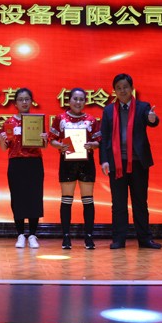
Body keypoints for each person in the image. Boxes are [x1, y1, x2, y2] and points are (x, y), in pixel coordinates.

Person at [99, 73, 162, 250]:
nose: (122, 91)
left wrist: (153, 119)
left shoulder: (143, 107)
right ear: (115, 91)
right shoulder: (108, 110)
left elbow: (152, 120)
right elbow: (104, 138)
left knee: (140, 202)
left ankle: (145, 239)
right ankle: (119, 239)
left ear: (132, 88)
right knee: (118, 204)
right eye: (118, 88)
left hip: (138, 163)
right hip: (116, 163)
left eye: (125, 87)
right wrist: (104, 160)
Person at [49, 88, 100, 250]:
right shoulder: (60, 118)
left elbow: (99, 141)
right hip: (67, 163)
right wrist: (59, 145)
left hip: (86, 163)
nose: (78, 102)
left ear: (85, 101)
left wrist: (92, 145)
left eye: (81, 99)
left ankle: (89, 237)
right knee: (66, 199)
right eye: (75, 99)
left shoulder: (91, 120)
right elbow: (51, 139)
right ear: (69, 101)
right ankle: (66, 237)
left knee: (88, 199)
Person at [0, 88, 46, 249]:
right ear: (15, 103)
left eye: (27, 99)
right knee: (17, 198)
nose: (24, 102)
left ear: (31, 101)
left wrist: (44, 139)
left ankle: (32, 234)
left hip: (34, 163)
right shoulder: (9, 123)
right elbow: (4, 148)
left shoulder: (37, 121)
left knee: (34, 198)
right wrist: (2, 139)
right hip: (16, 163)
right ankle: (20, 234)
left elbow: (43, 146)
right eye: (20, 99)